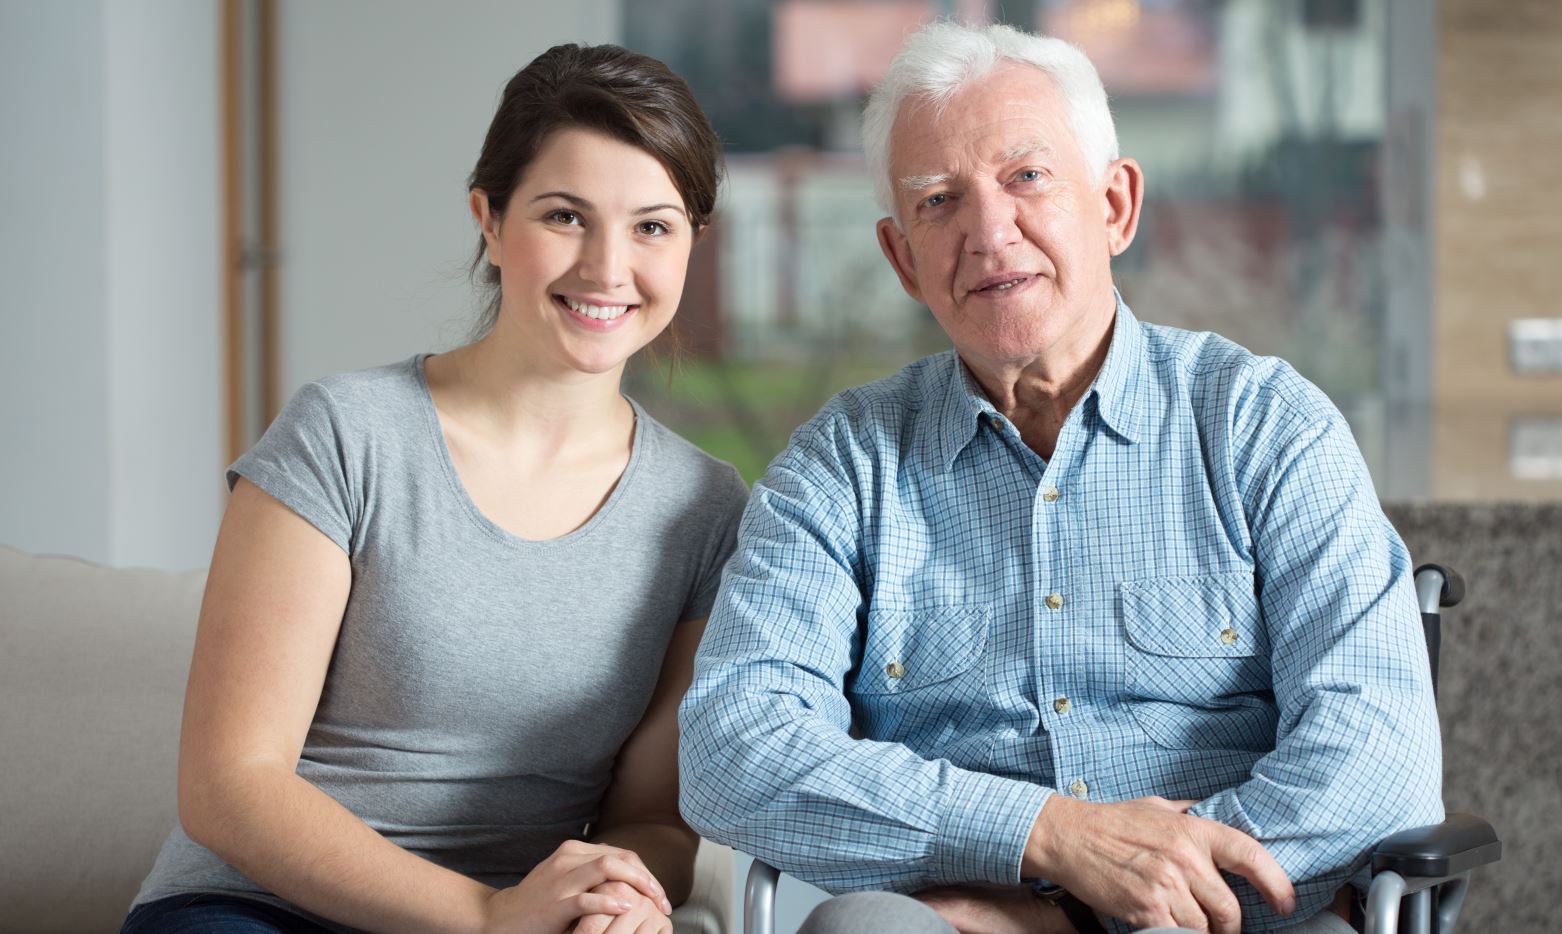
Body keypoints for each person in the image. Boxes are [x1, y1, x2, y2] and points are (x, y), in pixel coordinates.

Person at [679, 21, 1441, 934]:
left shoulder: (1265, 428)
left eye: (1026, 177)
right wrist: (1043, 835)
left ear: (1116, 205)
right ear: (901, 258)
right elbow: (732, 750)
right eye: (938, 200)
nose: (988, 230)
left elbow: (1379, 758)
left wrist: (1109, 900)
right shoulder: (841, 466)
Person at [122, 43, 747, 934]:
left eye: (652, 226)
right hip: (255, 907)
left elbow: (651, 818)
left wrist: (613, 895)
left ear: (692, 245)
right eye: (565, 216)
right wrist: (489, 914)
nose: (609, 269)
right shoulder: (345, 434)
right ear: (488, 220)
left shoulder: (705, 510)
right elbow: (229, 785)